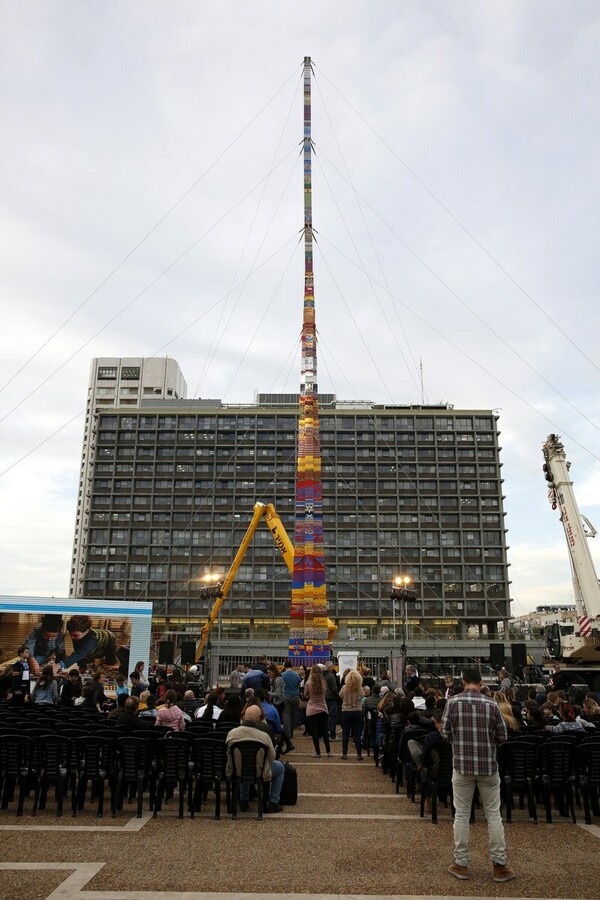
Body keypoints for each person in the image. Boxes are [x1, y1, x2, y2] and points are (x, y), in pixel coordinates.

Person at [441, 667, 515, 884]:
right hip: (488, 767)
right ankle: (499, 865)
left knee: (462, 815)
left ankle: (461, 864)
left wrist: (459, 740)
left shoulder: (452, 703)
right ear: (481, 682)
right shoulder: (492, 705)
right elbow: (503, 735)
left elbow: (444, 733)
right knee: (493, 815)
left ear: (463, 682)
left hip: (462, 766)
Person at [225, 704, 285, 813]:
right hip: (259, 771)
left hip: (238, 770)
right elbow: (272, 758)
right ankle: (273, 802)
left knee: (242, 762)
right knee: (280, 768)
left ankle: (244, 800)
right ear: (258, 719)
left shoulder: (232, 734)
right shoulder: (263, 736)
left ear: (243, 717)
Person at [304, 664, 332, 758]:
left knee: (315, 732)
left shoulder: (308, 683)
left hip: (312, 709)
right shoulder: (323, 682)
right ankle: (328, 752)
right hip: (323, 709)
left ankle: (318, 753)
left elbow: (305, 695)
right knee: (324, 732)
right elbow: (325, 693)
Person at [339, 669, 364, 761]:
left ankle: (344, 754)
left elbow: (340, 695)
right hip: (357, 711)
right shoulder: (360, 688)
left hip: (346, 711)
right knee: (357, 734)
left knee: (345, 733)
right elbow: (363, 696)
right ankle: (359, 754)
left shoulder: (344, 688)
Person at [281, 660, 301, 746]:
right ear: (291, 666)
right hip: (296, 697)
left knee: (286, 715)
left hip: (286, 696)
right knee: (294, 715)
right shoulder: (296, 674)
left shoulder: (282, 675)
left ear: (285, 666)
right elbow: (299, 685)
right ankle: (291, 732)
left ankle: (287, 733)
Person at [324, 661, 340, 740]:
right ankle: (332, 735)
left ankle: (325, 734)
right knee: (333, 717)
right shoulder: (331, 675)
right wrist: (337, 695)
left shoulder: (322, 676)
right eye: (332, 666)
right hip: (331, 699)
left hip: (324, 698)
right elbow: (334, 688)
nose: (333, 668)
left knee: (325, 717)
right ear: (329, 667)